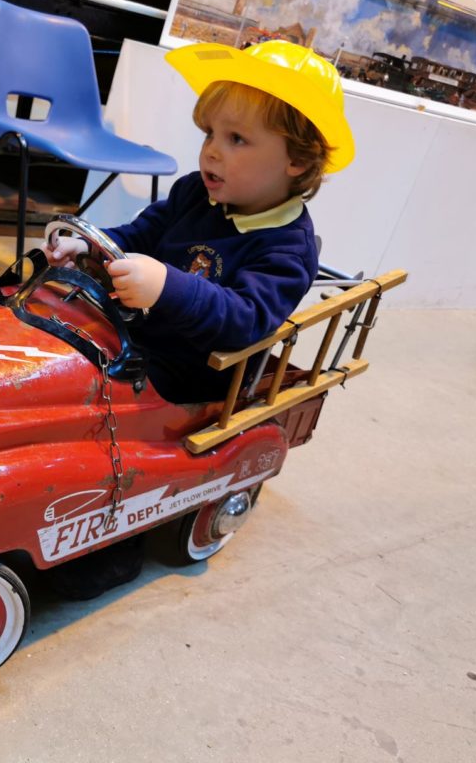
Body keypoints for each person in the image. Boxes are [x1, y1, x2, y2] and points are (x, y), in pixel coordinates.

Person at [42, 40, 355, 599]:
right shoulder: (195, 193)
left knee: (103, 426)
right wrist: (92, 246)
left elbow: (246, 320)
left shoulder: (287, 248)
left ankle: (114, 541)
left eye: (236, 140)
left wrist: (168, 287)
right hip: (132, 332)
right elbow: (141, 234)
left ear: (298, 161)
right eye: (210, 133)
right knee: (47, 342)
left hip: (192, 370)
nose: (211, 152)